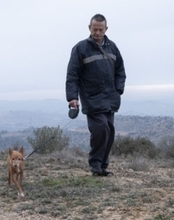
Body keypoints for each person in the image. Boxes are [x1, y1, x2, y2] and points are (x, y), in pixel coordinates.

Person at [65, 14, 126, 176]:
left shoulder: (112, 47)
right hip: (91, 98)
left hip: (110, 99)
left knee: (110, 131)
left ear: (106, 29)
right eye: (94, 29)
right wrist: (72, 97)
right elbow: (72, 75)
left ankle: (102, 166)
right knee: (101, 129)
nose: (97, 32)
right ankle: (95, 165)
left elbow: (120, 71)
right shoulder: (80, 48)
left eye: (100, 29)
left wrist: (118, 89)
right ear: (89, 28)